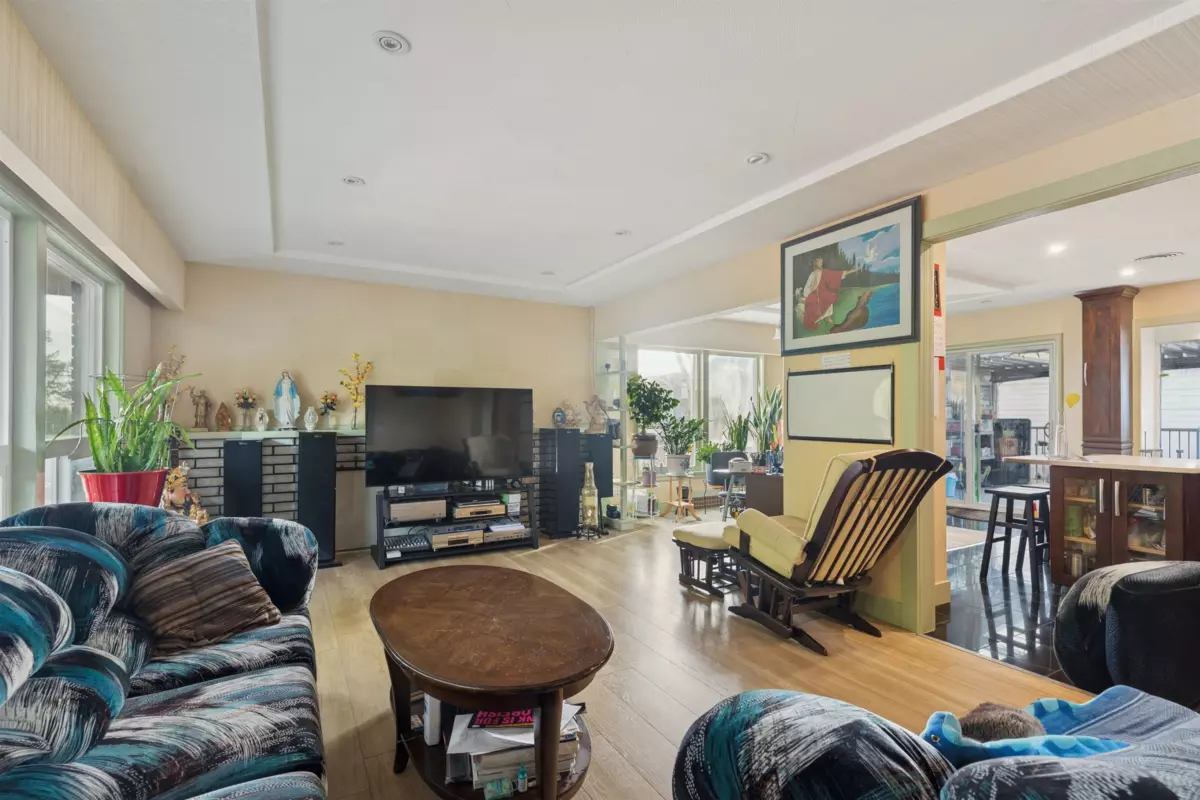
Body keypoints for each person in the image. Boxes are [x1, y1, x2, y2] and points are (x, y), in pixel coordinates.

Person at [798, 257, 843, 330]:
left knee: (830, 296)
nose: (821, 264)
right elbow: (807, 287)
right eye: (819, 262)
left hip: (823, 292)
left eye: (821, 262)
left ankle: (827, 317)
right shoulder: (812, 274)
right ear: (816, 263)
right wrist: (811, 290)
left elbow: (829, 280)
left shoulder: (823, 272)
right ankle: (817, 318)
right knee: (815, 301)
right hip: (814, 293)